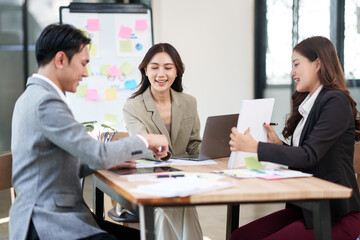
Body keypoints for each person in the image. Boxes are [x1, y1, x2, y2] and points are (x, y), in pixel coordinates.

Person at [10, 23, 169, 240]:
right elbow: (96, 152)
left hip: (49, 216)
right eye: (83, 63)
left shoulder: (33, 96)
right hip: (48, 223)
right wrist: (144, 140)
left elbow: (52, 164)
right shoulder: (46, 102)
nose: (85, 73)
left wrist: (106, 161)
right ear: (60, 60)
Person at [229, 36, 360, 240]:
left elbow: (309, 156)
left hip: (336, 213)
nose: (292, 73)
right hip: (309, 207)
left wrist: (256, 147)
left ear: (317, 63)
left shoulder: (335, 101)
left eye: (296, 64)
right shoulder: (310, 102)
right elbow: (310, 153)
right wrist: (279, 145)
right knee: (240, 236)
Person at [122, 43, 203, 240]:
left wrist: (211, 148)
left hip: (182, 179)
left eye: (168, 67)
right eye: (155, 67)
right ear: (145, 70)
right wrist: (161, 152)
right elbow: (141, 145)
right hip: (147, 179)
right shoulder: (133, 107)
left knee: (176, 202)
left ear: (177, 72)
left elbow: (193, 144)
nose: (161, 74)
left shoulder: (189, 102)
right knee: (172, 205)